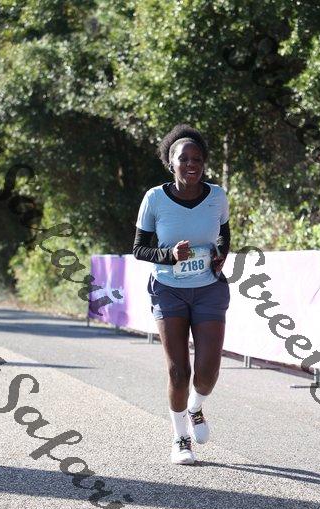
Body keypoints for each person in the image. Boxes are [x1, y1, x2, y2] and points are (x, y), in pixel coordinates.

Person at [133, 123, 230, 465]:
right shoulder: (154, 199)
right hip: (169, 290)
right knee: (178, 371)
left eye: (197, 159)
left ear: (203, 163)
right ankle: (180, 438)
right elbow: (139, 248)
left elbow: (224, 233)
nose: (191, 164)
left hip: (208, 289)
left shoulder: (217, 196)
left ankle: (196, 407)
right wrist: (169, 255)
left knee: (208, 371)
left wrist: (221, 253)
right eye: (183, 158)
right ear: (170, 163)